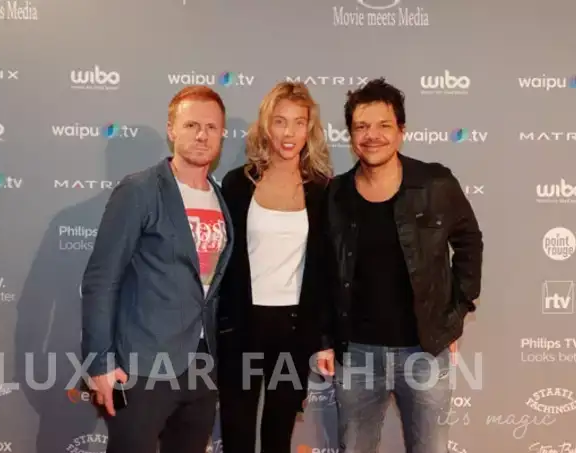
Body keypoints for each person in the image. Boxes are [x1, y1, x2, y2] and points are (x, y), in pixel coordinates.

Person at [322, 78, 483, 453]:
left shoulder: (435, 183)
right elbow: (324, 272)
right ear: (350, 135)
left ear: (401, 131)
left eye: (383, 125)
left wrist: (455, 311)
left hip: (424, 351)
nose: (372, 135)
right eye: (361, 126)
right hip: (357, 355)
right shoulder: (336, 194)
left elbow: (469, 241)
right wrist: (326, 340)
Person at [80, 85, 234, 453]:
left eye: (211, 127)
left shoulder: (220, 196)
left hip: (201, 366)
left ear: (221, 135)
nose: (202, 135)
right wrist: (99, 362)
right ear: (171, 129)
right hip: (143, 365)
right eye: (192, 125)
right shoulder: (139, 190)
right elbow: (101, 280)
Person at [216, 81, 336, 453]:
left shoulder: (322, 190)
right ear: (266, 125)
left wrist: (325, 338)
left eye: (299, 122)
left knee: (278, 434)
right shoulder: (238, 183)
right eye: (280, 121)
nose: (289, 133)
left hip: (294, 329)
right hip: (242, 325)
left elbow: (326, 270)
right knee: (236, 432)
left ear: (309, 129)